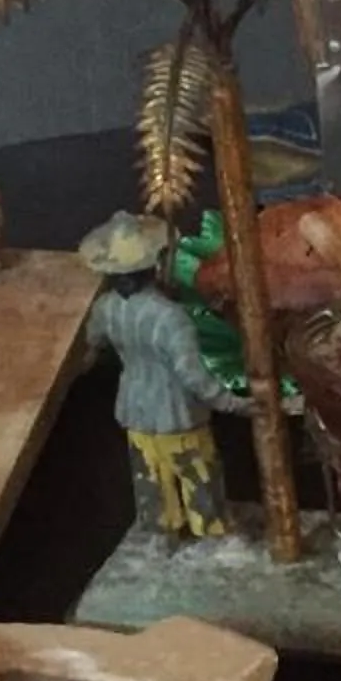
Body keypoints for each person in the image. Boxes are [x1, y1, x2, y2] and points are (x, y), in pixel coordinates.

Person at [76, 213, 241, 542]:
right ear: (154, 267)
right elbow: (192, 375)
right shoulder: (170, 317)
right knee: (199, 476)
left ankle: (163, 532)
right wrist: (234, 403)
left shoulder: (106, 308)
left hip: (135, 408)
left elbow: (92, 344)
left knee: (151, 480)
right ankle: (210, 533)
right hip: (176, 412)